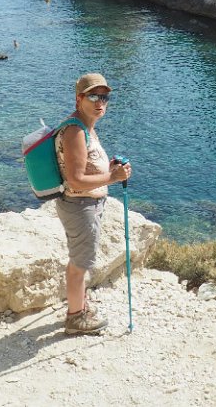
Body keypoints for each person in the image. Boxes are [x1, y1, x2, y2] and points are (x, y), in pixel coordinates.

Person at [54, 73, 132, 335]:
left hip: (84, 204)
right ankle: (75, 318)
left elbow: (85, 167)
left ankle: (80, 305)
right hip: (81, 206)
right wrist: (113, 177)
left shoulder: (85, 126)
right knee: (80, 264)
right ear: (79, 99)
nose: (101, 102)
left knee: (79, 260)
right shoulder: (75, 131)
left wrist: (108, 169)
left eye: (105, 97)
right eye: (94, 96)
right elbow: (75, 180)